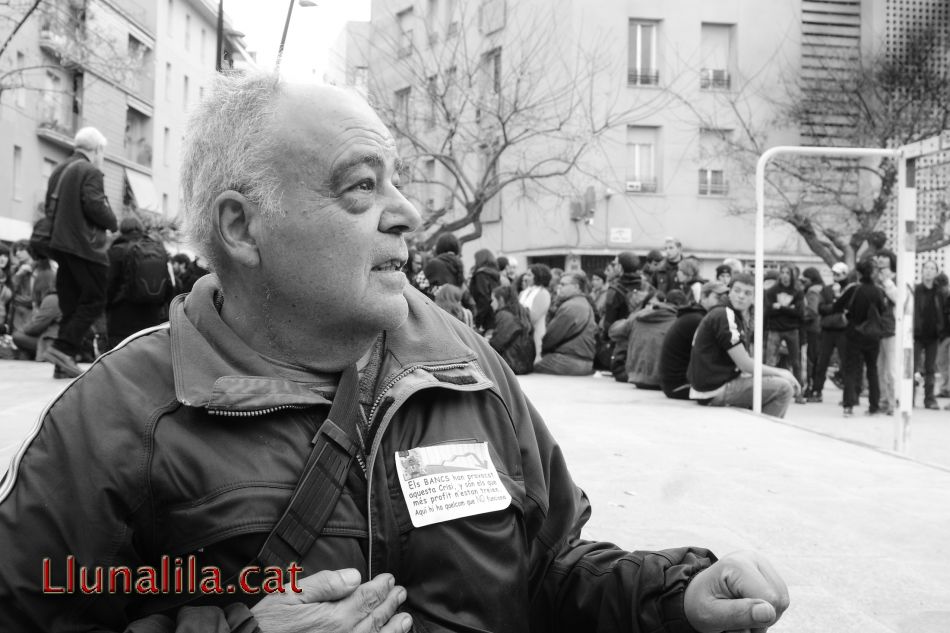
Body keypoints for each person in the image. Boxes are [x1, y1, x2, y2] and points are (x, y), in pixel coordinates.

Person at [0, 72, 788, 633]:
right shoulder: (116, 417)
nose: (407, 212)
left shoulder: (469, 368)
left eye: (397, 183)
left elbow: (550, 572)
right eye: (360, 188)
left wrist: (675, 594)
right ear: (242, 228)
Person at [41, 126, 118, 378]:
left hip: (59, 244)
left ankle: (62, 362)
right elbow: (94, 205)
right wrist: (113, 221)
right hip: (84, 246)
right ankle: (63, 348)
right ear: (96, 150)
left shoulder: (59, 170)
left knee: (71, 303)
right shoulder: (90, 170)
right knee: (95, 299)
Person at [687, 272, 800, 418]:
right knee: (784, 388)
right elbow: (744, 364)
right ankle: (765, 433)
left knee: (770, 384)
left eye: (747, 293)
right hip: (712, 389)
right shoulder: (725, 315)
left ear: (754, 298)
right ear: (729, 292)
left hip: (710, 384)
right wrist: (782, 372)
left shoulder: (732, 315)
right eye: (737, 291)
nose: (741, 296)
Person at [105, 217, 175, 350]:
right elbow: (169, 285)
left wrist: (107, 306)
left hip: (121, 315)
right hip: (151, 315)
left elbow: (109, 284)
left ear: (122, 230)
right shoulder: (156, 249)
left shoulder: (116, 251)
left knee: (119, 359)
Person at [834, 259, 887, 416]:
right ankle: (874, 405)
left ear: (858, 273)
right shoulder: (878, 290)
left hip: (854, 333)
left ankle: (848, 404)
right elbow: (883, 310)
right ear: (872, 273)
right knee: (872, 369)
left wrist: (848, 313)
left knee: (851, 369)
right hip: (872, 335)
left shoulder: (853, 289)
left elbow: (837, 307)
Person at [659, 281, 728, 400]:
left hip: (673, 384)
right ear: (703, 297)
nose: (722, 302)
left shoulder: (695, 316)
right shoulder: (698, 321)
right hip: (680, 386)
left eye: (725, 298)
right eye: (717, 297)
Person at [535, 271, 597, 375]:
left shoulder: (571, 306)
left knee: (527, 367)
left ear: (576, 287)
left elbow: (552, 336)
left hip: (568, 361)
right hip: (582, 362)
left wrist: (541, 351)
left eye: (563, 284)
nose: (560, 287)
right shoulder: (582, 302)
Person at [625, 289, 687, 389]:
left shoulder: (638, 317)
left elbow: (614, 332)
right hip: (659, 380)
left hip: (634, 376)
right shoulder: (677, 320)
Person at [10, 262, 63, 375]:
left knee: (17, 336)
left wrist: (24, 329)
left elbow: (36, 327)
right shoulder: (62, 297)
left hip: (52, 341)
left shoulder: (52, 299)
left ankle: (27, 359)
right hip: (57, 337)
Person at [764, 264, 805, 404]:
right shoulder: (771, 291)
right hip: (775, 328)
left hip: (792, 329)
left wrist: (780, 307)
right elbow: (768, 311)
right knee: (770, 361)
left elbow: (799, 312)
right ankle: (768, 390)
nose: (785, 275)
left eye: (788, 272)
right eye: (783, 272)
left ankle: (799, 393)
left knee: (796, 362)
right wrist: (789, 309)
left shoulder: (797, 291)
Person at [810, 262, 851, 403]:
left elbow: (850, 308)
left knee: (846, 363)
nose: (836, 277)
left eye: (839, 274)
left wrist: (835, 306)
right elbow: (821, 308)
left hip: (843, 330)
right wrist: (835, 307)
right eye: (834, 274)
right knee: (822, 361)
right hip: (827, 329)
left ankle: (849, 394)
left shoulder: (849, 289)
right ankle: (817, 390)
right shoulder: (826, 290)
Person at [913, 260, 945, 409]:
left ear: (936, 272)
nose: (929, 271)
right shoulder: (916, 290)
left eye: (932, 268)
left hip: (933, 335)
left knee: (930, 368)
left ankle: (929, 399)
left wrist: (941, 328)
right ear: (922, 270)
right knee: (913, 367)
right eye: (926, 268)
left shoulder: (940, 292)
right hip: (917, 334)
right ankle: (910, 396)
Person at [872, 251, 898, 415]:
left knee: (891, 370)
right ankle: (882, 400)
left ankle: (893, 402)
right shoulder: (874, 279)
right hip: (876, 328)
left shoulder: (896, 278)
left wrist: (886, 282)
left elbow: (899, 298)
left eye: (884, 257)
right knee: (878, 368)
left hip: (891, 328)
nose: (880, 260)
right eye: (878, 257)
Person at [488, 284, 535, 374]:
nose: (491, 304)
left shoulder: (504, 315)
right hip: (525, 365)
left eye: (493, 300)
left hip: (512, 364)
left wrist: (487, 341)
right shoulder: (521, 312)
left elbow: (497, 344)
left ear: (501, 299)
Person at [799, 267, 825, 401]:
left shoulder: (813, 291)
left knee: (811, 359)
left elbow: (812, 311)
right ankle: (816, 388)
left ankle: (811, 388)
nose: (803, 281)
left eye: (805, 279)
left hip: (812, 328)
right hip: (820, 328)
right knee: (817, 359)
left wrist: (797, 315)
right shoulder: (822, 288)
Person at [518, 263, 552, 364]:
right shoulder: (523, 292)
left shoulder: (543, 293)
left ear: (538, 277)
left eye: (529, 275)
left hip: (536, 333)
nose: (525, 277)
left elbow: (533, 316)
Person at [422, 232, 464, 299]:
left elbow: (417, 286)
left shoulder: (434, 264)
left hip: (434, 305)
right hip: (450, 306)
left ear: (439, 247)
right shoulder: (459, 265)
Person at [468, 248, 501, 332]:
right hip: (495, 314)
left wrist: (478, 321)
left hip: (485, 318)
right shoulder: (494, 274)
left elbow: (484, 298)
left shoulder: (481, 275)